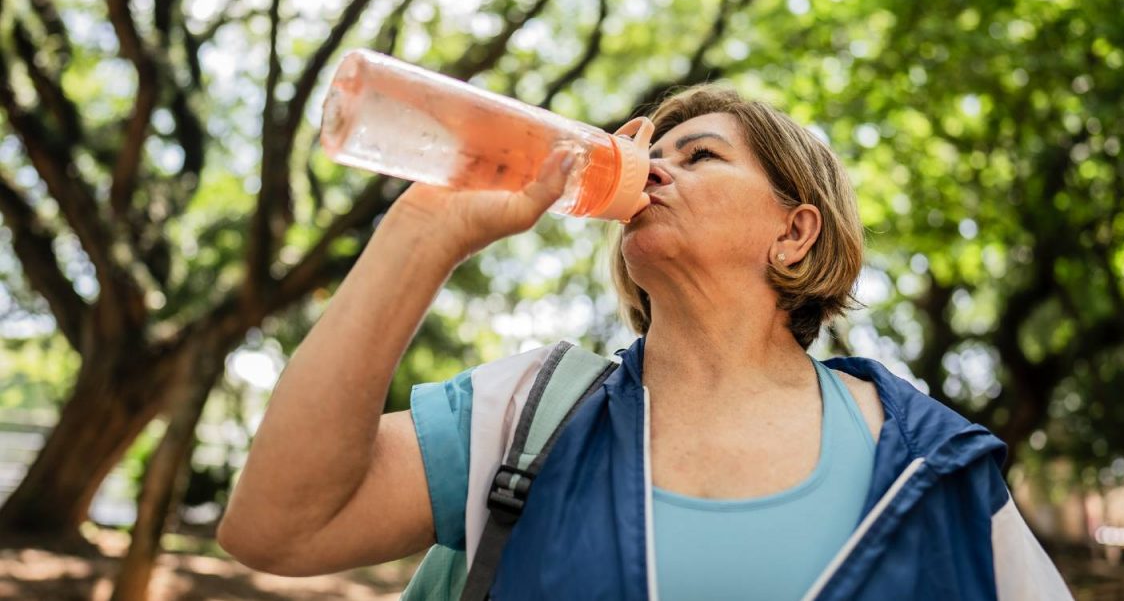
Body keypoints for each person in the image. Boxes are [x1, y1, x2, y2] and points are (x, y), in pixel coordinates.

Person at [218, 85, 1073, 600]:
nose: (650, 169)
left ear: (796, 232)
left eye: (697, 155)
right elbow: (275, 529)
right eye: (647, 154)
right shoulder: (528, 412)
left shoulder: (931, 462)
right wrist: (427, 227)